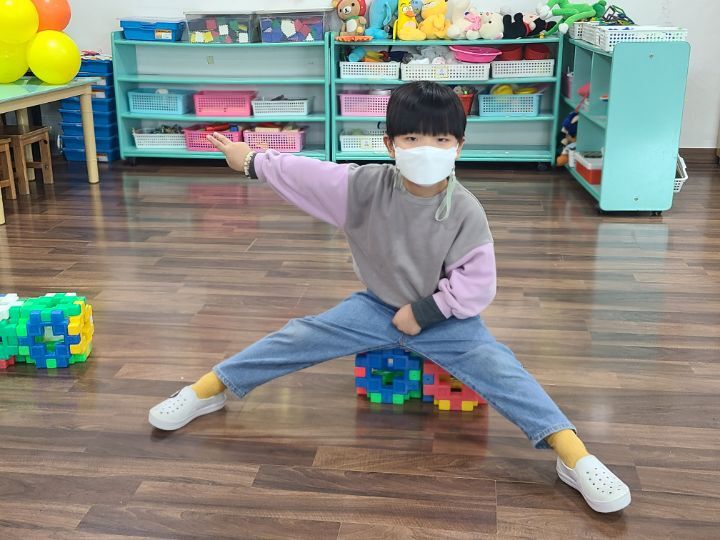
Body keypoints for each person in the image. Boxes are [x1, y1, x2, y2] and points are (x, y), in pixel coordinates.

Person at [148, 81, 630, 513]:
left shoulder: (465, 210)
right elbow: (304, 173)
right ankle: (207, 390)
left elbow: (477, 284)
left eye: (441, 139)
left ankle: (575, 457)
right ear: (390, 144)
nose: (426, 149)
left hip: (448, 319)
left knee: (504, 371)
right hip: (376, 307)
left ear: (459, 146)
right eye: (412, 138)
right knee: (297, 336)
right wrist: (251, 160)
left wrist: (425, 312)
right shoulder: (364, 186)